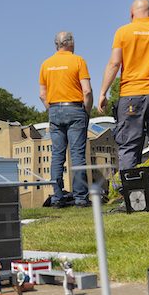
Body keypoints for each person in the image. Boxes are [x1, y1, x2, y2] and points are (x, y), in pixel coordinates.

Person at [98, 0, 149, 170]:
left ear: (131, 13)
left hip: (131, 95)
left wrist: (103, 93)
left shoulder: (123, 32)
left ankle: (131, 192)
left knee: (129, 145)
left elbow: (114, 64)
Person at [39, 31, 93, 207]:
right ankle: (80, 198)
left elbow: (42, 95)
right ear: (70, 43)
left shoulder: (46, 64)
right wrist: (87, 110)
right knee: (77, 155)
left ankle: (57, 197)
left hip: (54, 109)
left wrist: (53, 110)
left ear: (56, 45)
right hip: (75, 109)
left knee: (57, 155)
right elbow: (87, 91)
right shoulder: (78, 61)